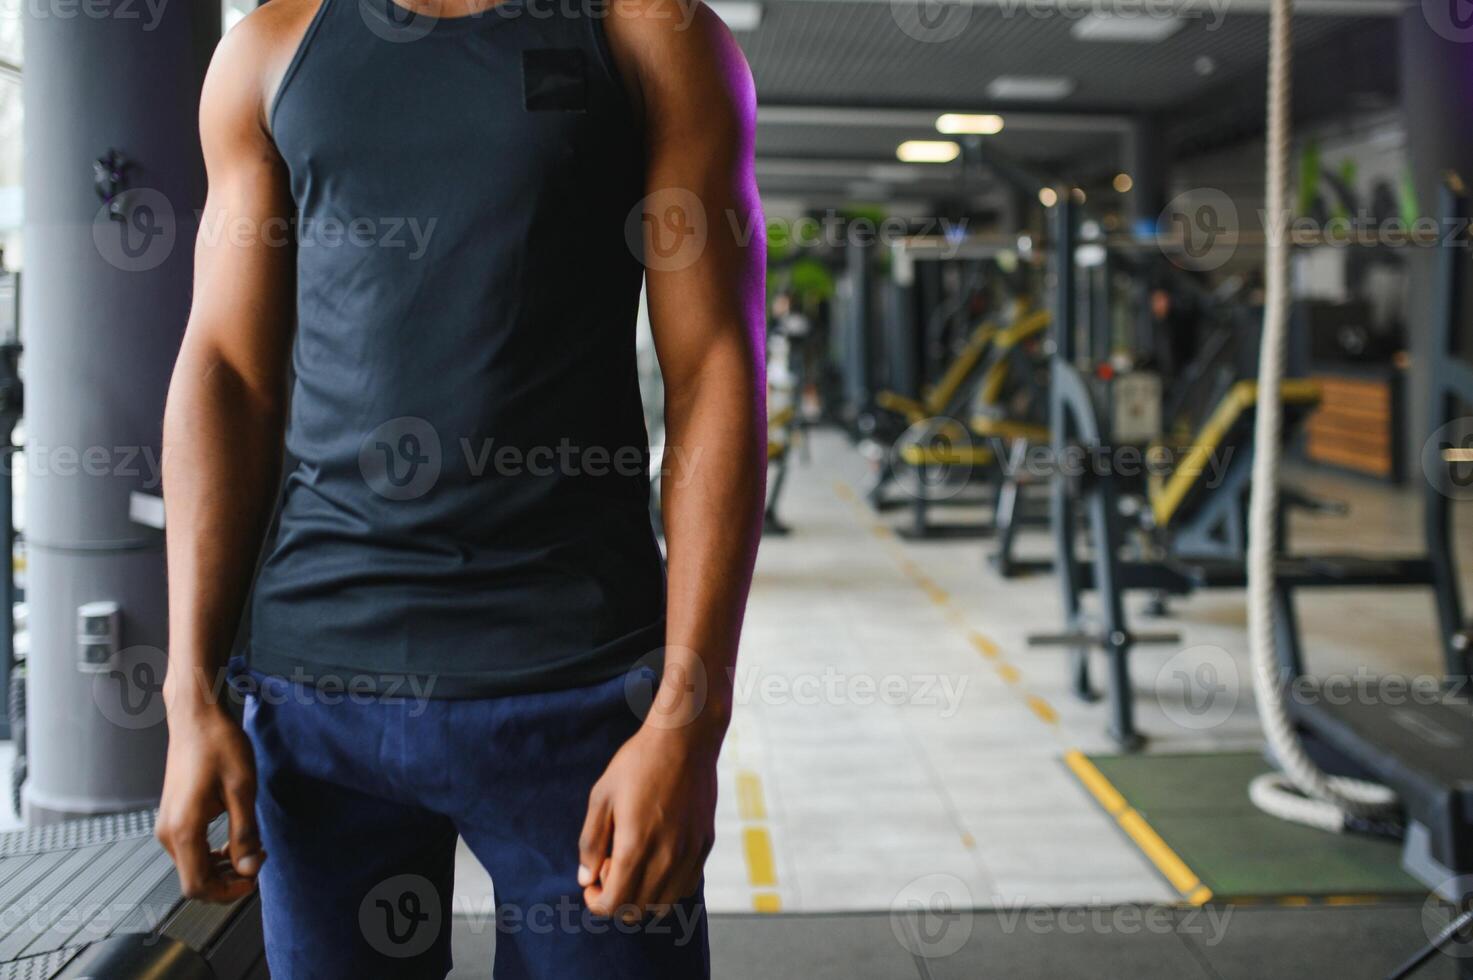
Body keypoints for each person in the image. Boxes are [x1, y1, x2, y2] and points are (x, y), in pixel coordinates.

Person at [154, 0, 766, 976]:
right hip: (318, 700)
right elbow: (227, 368)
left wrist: (690, 721)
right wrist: (190, 695)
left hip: (576, 689)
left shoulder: (653, 35)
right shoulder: (272, 51)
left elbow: (715, 374)